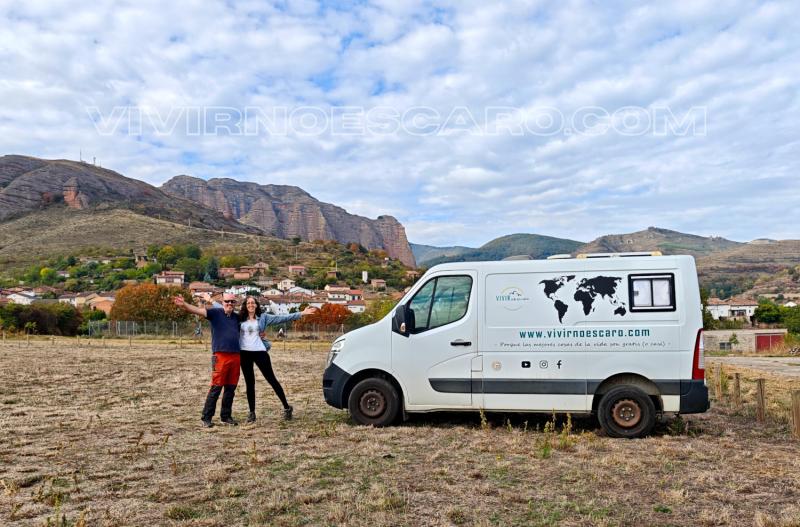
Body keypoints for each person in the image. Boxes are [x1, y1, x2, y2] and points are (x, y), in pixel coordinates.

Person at [238, 296, 317, 422]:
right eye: (248, 303)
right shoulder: (239, 318)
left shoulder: (264, 317)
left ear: (257, 305)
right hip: (244, 353)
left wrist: (301, 313)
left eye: (253, 302)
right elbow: (224, 313)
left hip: (260, 352)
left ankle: (287, 407)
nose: (251, 304)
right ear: (245, 305)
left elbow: (282, 318)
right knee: (249, 383)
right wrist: (211, 301)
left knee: (272, 380)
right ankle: (252, 413)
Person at [174, 293, 241, 428]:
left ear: (235, 303)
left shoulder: (237, 317)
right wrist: (184, 304)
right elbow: (197, 310)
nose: (230, 304)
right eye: (227, 301)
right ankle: (206, 417)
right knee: (216, 387)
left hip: (235, 356)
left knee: (231, 388)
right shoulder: (215, 313)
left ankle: (226, 417)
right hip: (220, 356)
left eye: (232, 302)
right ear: (222, 302)